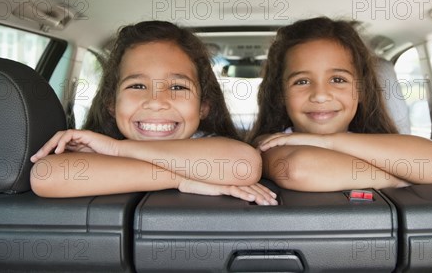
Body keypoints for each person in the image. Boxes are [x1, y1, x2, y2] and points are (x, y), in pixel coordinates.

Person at [31, 21, 277, 205]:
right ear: (110, 103)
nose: (156, 102)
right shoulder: (93, 147)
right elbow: (46, 174)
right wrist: (181, 179)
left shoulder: (209, 145)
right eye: (137, 86)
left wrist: (118, 151)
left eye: (178, 87)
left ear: (204, 106)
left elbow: (242, 165)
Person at [247, 17, 432, 191]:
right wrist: (399, 179)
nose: (320, 95)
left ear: (361, 90)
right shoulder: (271, 143)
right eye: (301, 82)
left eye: (338, 80)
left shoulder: (380, 143)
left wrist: (328, 142)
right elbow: (299, 169)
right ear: (281, 94)